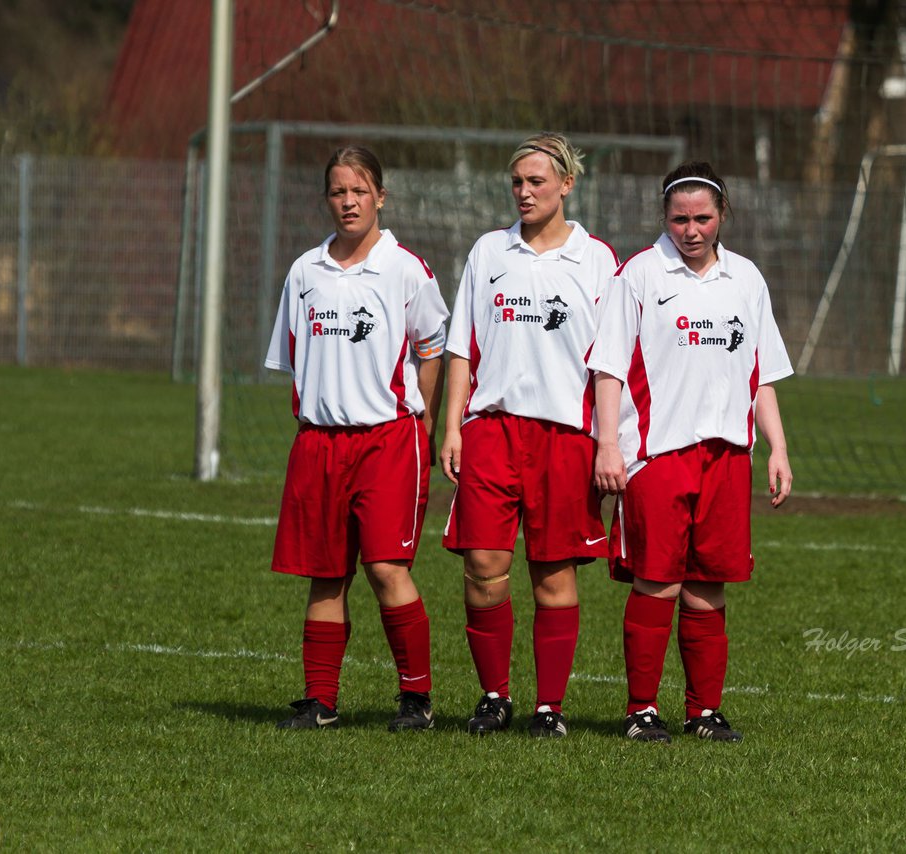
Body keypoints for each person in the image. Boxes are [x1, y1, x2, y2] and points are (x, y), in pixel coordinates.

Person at [588, 161, 794, 743]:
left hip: (727, 457)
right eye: (680, 218)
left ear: (723, 215)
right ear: (665, 218)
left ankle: (703, 712)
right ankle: (641, 711)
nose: (692, 229)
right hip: (657, 456)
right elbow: (607, 367)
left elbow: (762, 376)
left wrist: (777, 448)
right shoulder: (639, 275)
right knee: (658, 581)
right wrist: (608, 445)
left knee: (708, 584)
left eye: (703, 217)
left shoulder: (747, 279)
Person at [441, 132, 619, 738]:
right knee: (483, 565)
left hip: (565, 436)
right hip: (490, 430)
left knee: (553, 574)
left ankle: (550, 708)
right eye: (517, 182)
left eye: (537, 181)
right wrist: (452, 428)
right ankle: (494, 696)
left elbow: (610, 360)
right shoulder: (489, 252)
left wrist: (611, 441)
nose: (524, 192)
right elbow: (461, 345)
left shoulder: (597, 259)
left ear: (567, 184)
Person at [265, 145, 448, 731]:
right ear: (327, 200)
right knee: (325, 574)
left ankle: (416, 700)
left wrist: (422, 417)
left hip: (388, 440)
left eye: (359, 191)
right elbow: (295, 361)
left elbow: (432, 348)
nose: (349, 202)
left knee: (387, 569)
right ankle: (321, 702)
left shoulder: (405, 269)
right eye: (339, 192)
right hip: (319, 443)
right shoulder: (304, 272)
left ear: (380, 197)